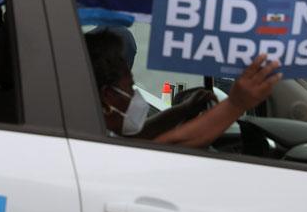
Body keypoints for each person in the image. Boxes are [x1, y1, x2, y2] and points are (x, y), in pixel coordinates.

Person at [86, 28, 281, 147]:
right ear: (108, 95)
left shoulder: (93, 129)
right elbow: (173, 143)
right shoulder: (93, 144)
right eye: (130, 87)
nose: (135, 94)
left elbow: (142, 135)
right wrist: (236, 104)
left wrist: (183, 110)